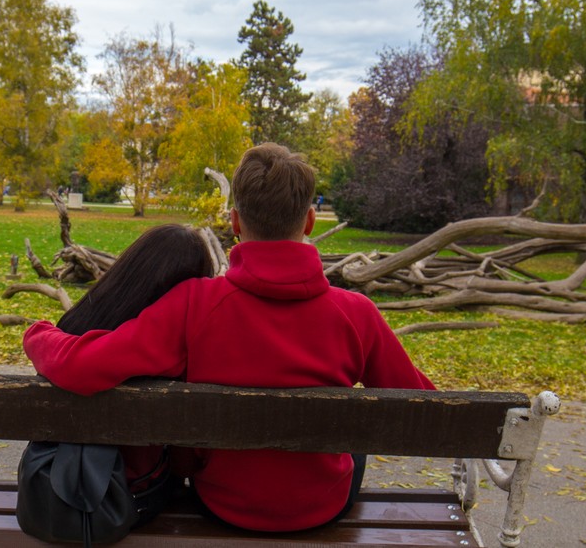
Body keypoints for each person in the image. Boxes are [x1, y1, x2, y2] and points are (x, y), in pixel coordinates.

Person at [24, 143, 434, 532]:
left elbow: (82, 366)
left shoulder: (193, 305)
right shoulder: (356, 313)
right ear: (309, 221)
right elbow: (424, 410)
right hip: (323, 506)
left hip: (223, 506)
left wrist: (39, 333)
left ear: (235, 223)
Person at [50, 223, 215, 493]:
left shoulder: (75, 326)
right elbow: (183, 464)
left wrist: (39, 333)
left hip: (59, 483)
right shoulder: (166, 350)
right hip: (132, 491)